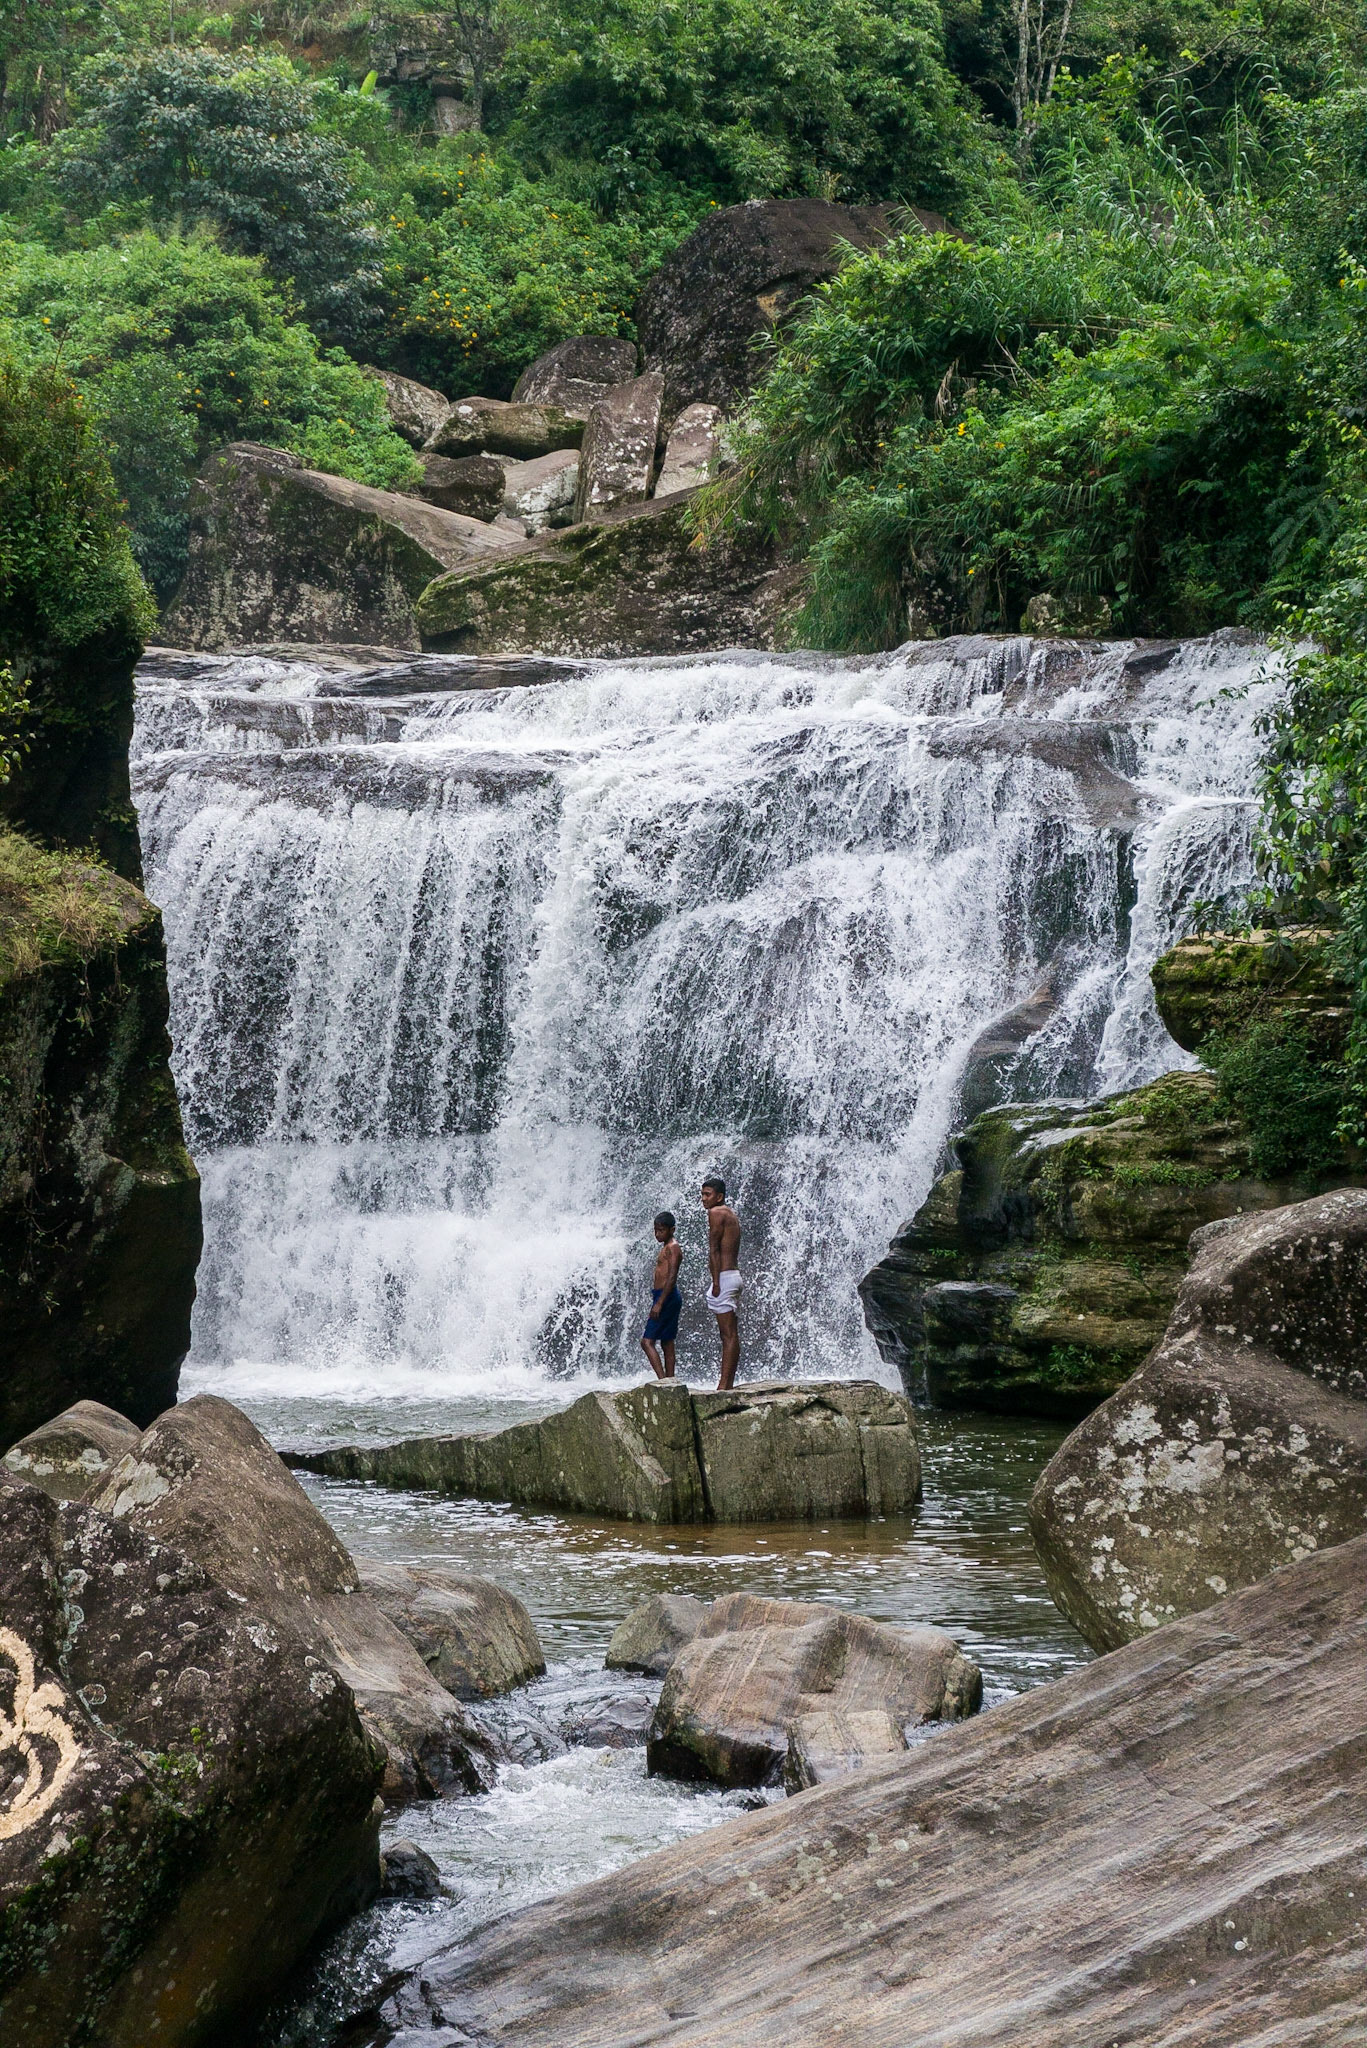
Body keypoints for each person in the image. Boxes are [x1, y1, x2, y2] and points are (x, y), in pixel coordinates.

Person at [700, 1175, 742, 1389]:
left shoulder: (716, 1213)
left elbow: (714, 1249)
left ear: (720, 1197)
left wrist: (716, 1282)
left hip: (724, 1278)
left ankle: (724, 1385)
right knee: (729, 1333)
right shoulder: (729, 1213)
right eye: (702, 1194)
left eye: (708, 1194)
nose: (703, 1199)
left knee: (728, 1334)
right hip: (731, 1276)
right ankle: (727, 1383)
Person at [641, 1210, 683, 1380]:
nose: (657, 1234)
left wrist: (659, 1302)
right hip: (665, 1296)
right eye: (656, 1230)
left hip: (666, 1296)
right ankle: (670, 1381)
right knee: (667, 1342)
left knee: (646, 1342)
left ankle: (663, 1380)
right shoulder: (667, 1247)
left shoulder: (673, 1248)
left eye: (661, 1230)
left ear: (672, 1230)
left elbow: (672, 1276)